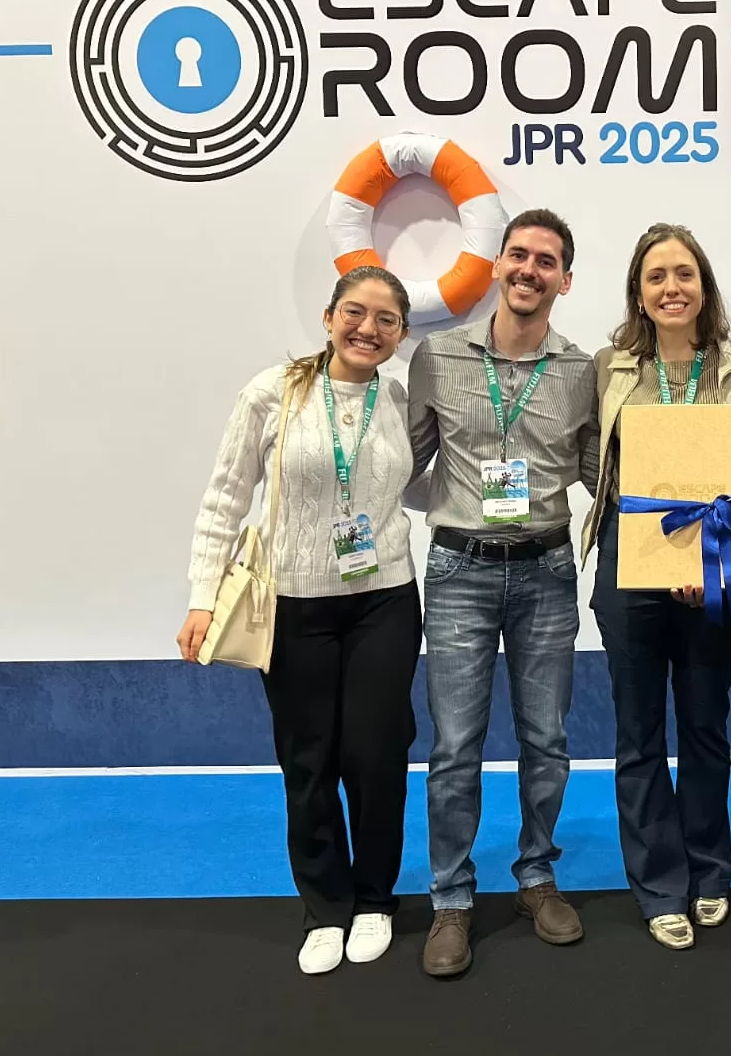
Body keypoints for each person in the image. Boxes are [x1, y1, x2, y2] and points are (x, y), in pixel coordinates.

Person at [178, 266, 422, 976]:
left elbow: (419, 483)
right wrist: (202, 594)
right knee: (308, 758)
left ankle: (374, 897)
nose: (368, 329)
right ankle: (325, 906)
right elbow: (225, 497)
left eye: (385, 320)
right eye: (355, 312)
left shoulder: (397, 397)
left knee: (377, 754)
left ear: (401, 333)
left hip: (385, 599)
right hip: (294, 603)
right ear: (328, 316)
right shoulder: (272, 392)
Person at [407, 208, 601, 978]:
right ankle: (452, 898)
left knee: (546, 740)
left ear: (565, 281)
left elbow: (605, 477)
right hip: (459, 571)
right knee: (454, 747)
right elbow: (403, 463)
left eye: (546, 261)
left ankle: (536, 877)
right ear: (497, 266)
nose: (529, 270)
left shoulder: (583, 371)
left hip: (547, 573)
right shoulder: (436, 357)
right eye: (518, 255)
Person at [580, 222, 731, 950]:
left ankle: (710, 869)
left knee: (706, 724)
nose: (671, 288)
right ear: (638, 292)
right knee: (639, 732)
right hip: (631, 559)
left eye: (684, 274)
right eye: (655, 277)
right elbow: (595, 459)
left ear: (705, 286)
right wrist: (653, 545)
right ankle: (659, 883)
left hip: (715, 559)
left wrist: (702, 554)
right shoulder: (610, 366)